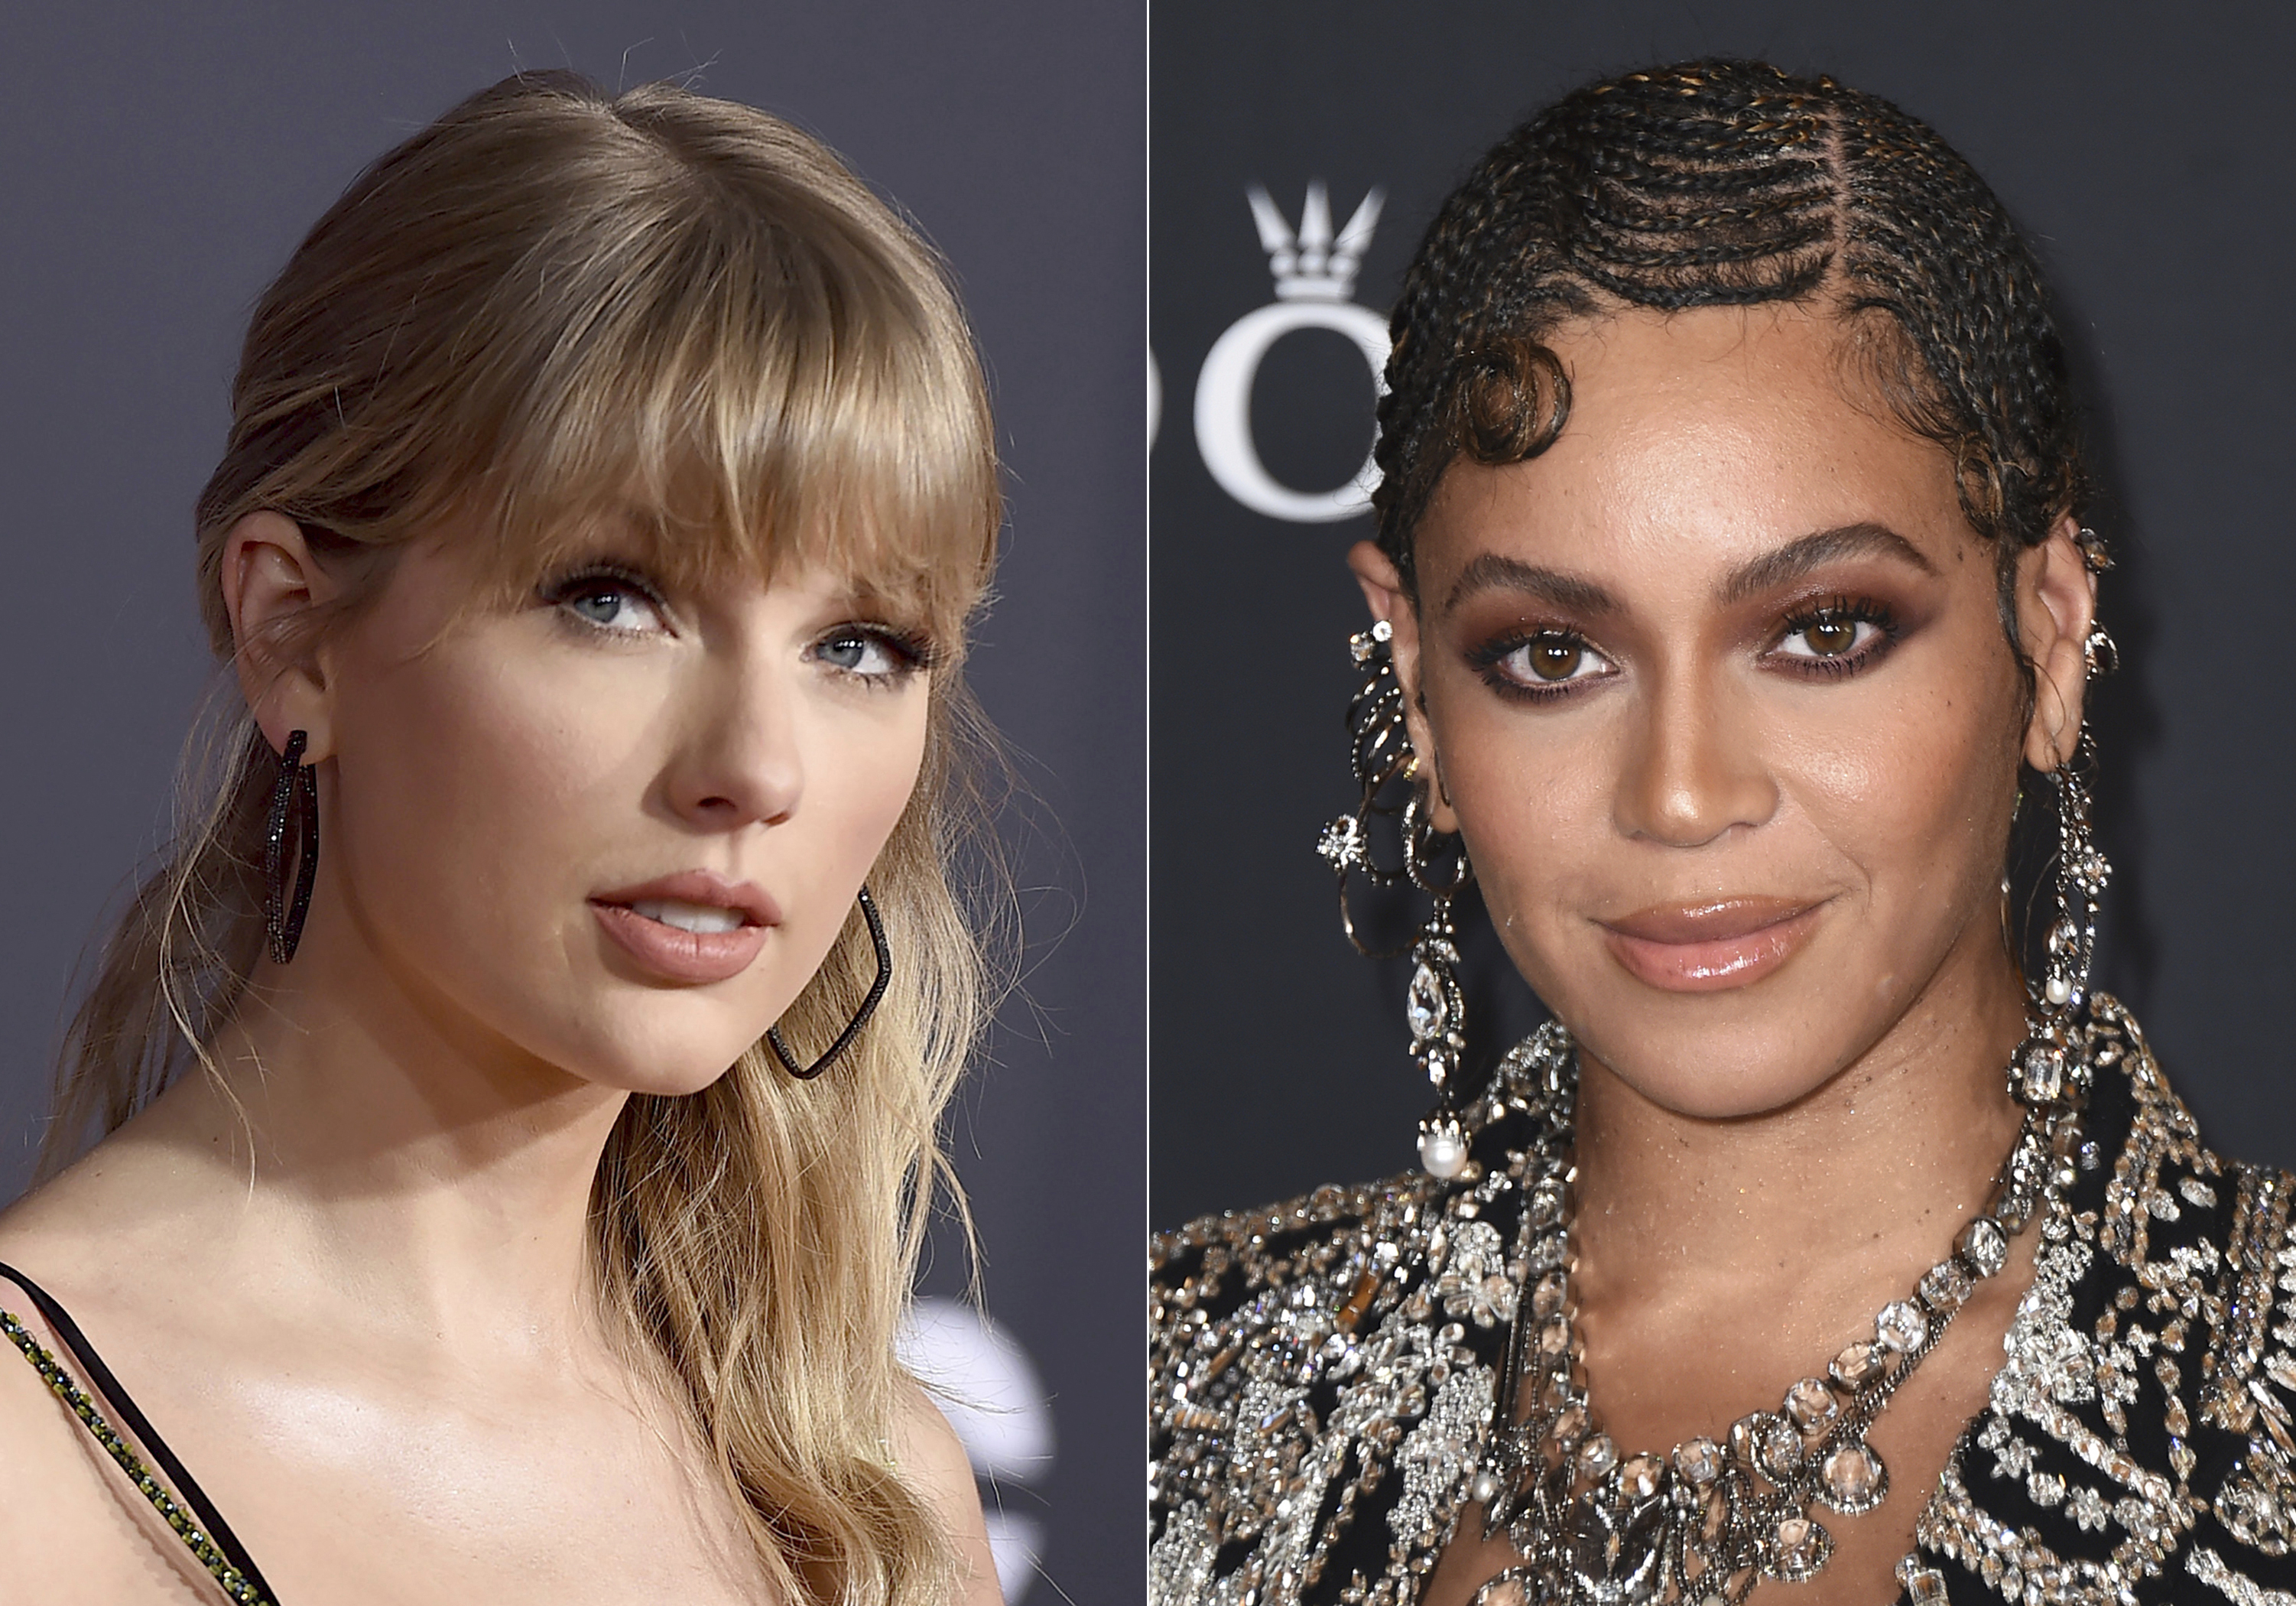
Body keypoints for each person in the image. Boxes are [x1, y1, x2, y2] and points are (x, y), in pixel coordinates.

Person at [1150, 59, 2296, 1606]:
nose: (1680, 795)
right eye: (1550, 657)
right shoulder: (1177, 1388)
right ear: (1412, 688)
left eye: (1821, 631)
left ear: (2051, 632)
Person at [0, 71, 1006, 1606]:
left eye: (859, 646)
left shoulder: (875, 1502)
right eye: (609, 599)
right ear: (295, 636)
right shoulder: (32, 1463)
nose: (754, 769)